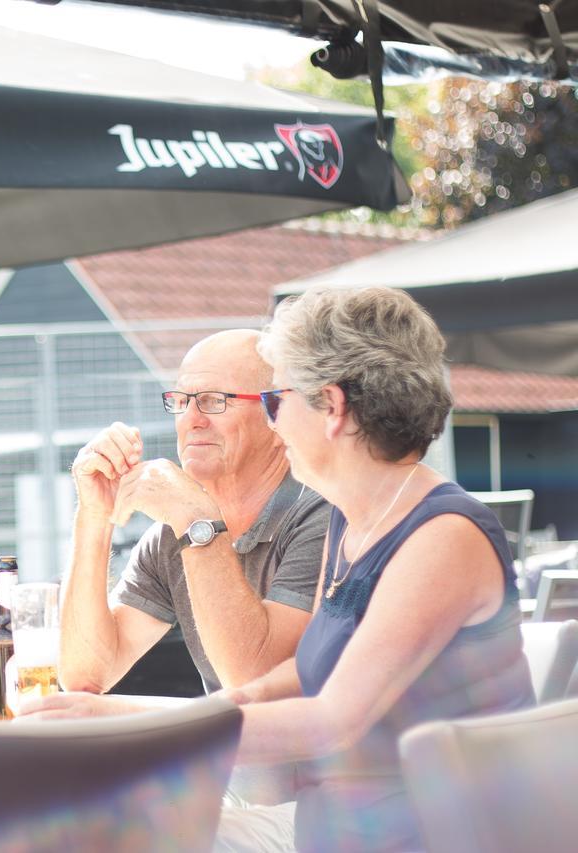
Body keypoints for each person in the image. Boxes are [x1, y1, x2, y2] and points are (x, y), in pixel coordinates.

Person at [26, 287, 535, 852]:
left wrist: (139, 732)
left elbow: (329, 721)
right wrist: (111, 715)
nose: (276, 422)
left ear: (333, 408)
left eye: (278, 401)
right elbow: (289, 681)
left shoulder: (442, 536)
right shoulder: (357, 522)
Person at [61, 329, 328, 699]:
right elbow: (85, 676)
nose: (191, 419)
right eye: (181, 401)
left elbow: (254, 683)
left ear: (277, 412)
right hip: (228, 753)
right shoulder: (174, 533)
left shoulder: (321, 515)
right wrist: (93, 515)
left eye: (213, 401)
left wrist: (197, 520)